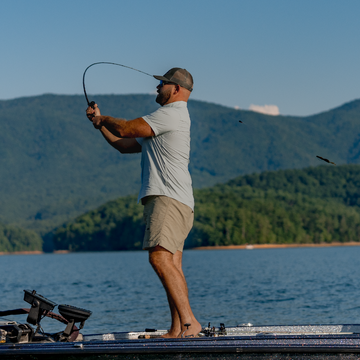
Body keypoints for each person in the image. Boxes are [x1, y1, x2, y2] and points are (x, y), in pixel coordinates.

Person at [86, 68, 201, 338]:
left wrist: (103, 117)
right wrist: (100, 124)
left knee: (159, 258)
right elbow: (123, 144)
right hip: (179, 200)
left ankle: (189, 324)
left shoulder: (170, 114)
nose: (157, 88)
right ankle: (178, 329)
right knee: (171, 262)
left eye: (161, 83)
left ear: (176, 89)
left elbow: (125, 128)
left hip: (167, 198)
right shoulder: (167, 121)